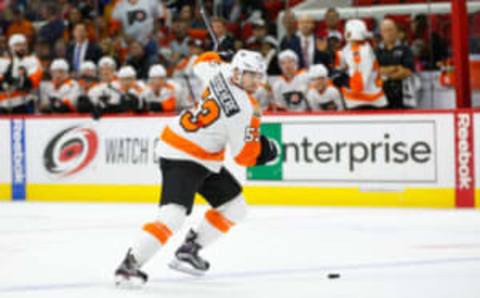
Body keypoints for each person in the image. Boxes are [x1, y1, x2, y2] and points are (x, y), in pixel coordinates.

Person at [114, 50, 278, 284]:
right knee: (172, 215)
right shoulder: (244, 108)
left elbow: (201, 62)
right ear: (238, 72)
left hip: (200, 156)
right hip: (182, 155)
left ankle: (189, 250)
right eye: (251, 75)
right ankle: (129, 265)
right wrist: (266, 152)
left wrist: (219, 54)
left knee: (235, 207)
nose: (256, 81)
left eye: (259, 75)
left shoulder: (221, 72)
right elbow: (244, 157)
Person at [335, 19, 387, 110]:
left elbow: (359, 83)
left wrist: (343, 81)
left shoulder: (361, 51)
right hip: (362, 99)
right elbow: (340, 66)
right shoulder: (349, 48)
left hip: (365, 101)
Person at [376, 19, 416, 109]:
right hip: (382, 95)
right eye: (385, 31)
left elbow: (407, 71)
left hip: (402, 94)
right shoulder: (376, 51)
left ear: (396, 31)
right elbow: (375, 71)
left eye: (391, 30)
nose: (389, 33)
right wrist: (395, 68)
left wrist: (386, 75)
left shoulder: (406, 50)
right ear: (381, 33)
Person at [0, 34, 43, 114]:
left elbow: (31, 82)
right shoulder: (2, 62)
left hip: (24, 104)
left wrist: (9, 82)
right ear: (10, 47)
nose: (21, 47)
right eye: (17, 45)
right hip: (3, 105)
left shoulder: (32, 61)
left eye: (24, 44)